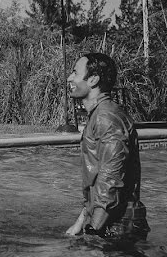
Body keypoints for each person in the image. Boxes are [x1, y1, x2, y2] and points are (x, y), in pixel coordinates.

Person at [64, 53, 149, 241]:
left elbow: (111, 179)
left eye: (75, 73)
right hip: (111, 221)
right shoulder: (100, 115)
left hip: (117, 226)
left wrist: (93, 231)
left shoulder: (106, 118)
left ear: (93, 79)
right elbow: (98, 181)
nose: (70, 78)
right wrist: (81, 221)